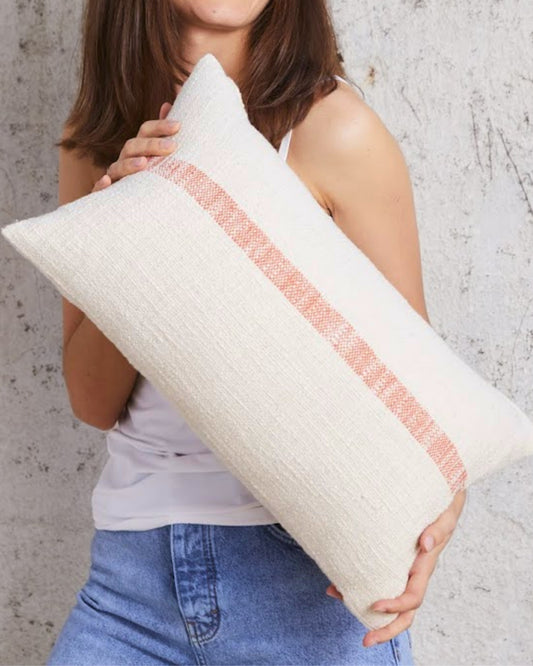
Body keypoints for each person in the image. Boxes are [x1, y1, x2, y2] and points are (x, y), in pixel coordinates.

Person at [47, 1, 466, 664]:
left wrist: (439, 511)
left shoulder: (334, 129)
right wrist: (130, 228)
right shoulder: (96, 134)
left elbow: (418, 390)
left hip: (302, 589)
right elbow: (93, 402)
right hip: (129, 586)